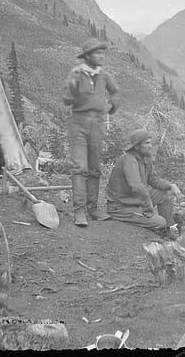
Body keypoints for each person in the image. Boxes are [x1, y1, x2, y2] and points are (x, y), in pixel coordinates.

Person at [62, 38, 119, 227]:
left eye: (103, 53)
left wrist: (110, 107)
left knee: (95, 168)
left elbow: (115, 93)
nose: (101, 56)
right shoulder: (77, 73)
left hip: (97, 124)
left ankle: (93, 208)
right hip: (78, 123)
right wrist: (75, 89)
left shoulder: (104, 75)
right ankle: (79, 211)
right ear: (87, 56)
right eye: (97, 53)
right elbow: (66, 98)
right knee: (80, 167)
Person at [105, 129, 182, 239]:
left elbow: (154, 179)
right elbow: (137, 187)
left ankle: (169, 229)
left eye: (150, 142)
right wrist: (148, 206)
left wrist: (170, 186)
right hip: (122, 206)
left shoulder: (145, 158)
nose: (150, 146)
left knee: (167, 194)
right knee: (160, 222)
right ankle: (139, 221)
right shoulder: (128, 160)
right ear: (136, 146)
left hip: (136, 200)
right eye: (147, 143)